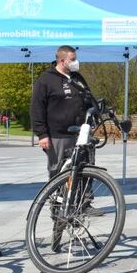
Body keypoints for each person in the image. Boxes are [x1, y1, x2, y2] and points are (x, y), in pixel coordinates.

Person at [30, 45, 90, 178]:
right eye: (73, 59)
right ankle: (56, 197)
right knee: (58, 170)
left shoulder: (77, 78)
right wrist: (42, 134)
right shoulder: (46, 79)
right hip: (57, 135)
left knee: (81, 169)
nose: (76, 62)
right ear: (62, 61)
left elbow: (88, 98)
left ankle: (81, 197)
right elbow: (36, 107)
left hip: (80, 134)